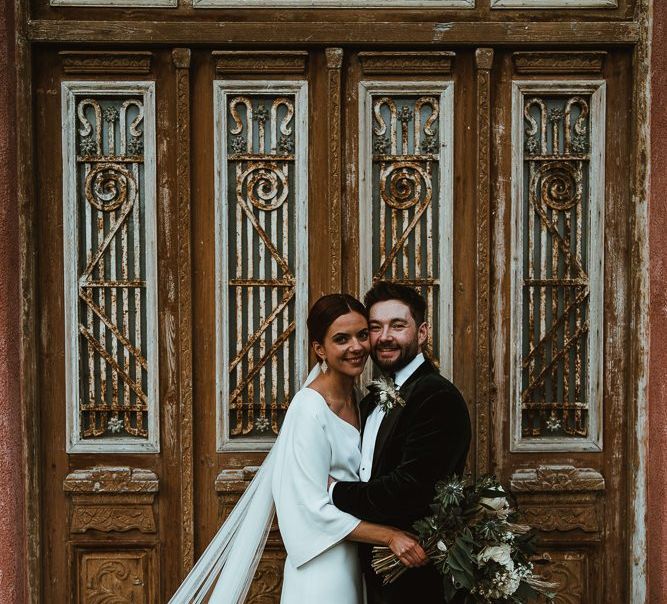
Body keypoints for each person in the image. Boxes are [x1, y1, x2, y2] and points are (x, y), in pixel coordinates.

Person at [168, 293, 426, 604]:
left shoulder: (361, 401)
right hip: (322, 567)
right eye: (341, 339)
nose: (356, 347)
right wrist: (389, 535)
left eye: (361, 335)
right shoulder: (309, 409)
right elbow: (307, 508)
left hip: (355, 560)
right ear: (320, 349)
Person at [329, 281, 472, 604]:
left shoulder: (436, 396)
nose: (384, 337)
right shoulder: (369, 403)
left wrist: (333, 490)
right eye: (375, 327)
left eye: (398, 326)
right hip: (373, 575)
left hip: (418, 577)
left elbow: (408, 491)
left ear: (421, 333)